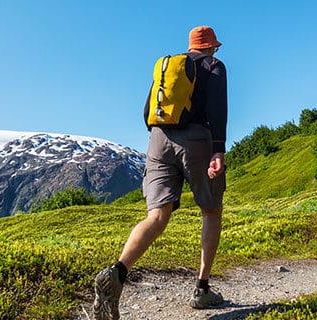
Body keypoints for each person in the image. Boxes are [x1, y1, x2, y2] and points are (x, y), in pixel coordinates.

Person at [93, 26, 228, 319]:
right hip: (197, 140)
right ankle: (202, 289)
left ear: (191, 46)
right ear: (211, 47)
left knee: (156, 216)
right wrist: (218, 149)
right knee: (211, 210)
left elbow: (147, 110)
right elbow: (218, 108)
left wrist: (163, 138)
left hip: (158, 139)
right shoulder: (213, 65)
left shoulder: (170, 66)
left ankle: (116, 272)